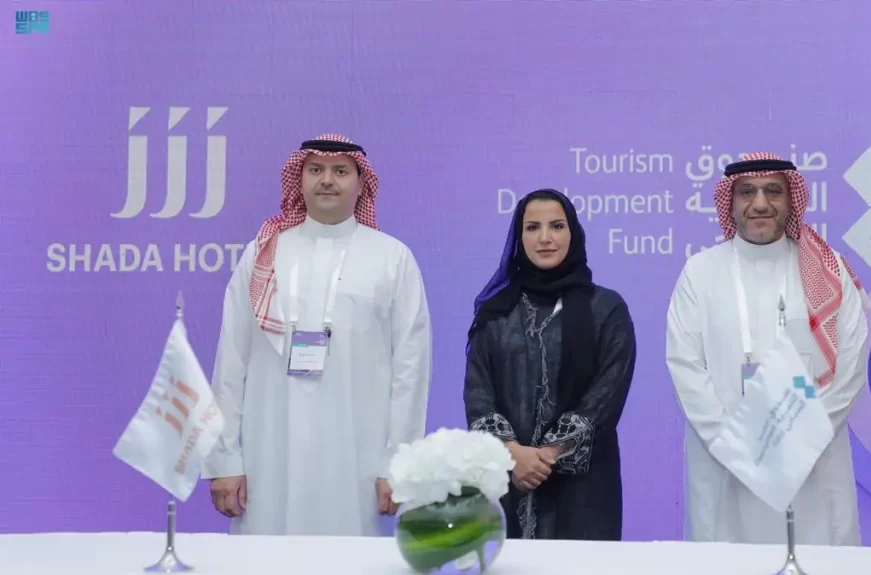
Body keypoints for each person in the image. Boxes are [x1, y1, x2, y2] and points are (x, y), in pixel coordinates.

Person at [202, 133, 432, 536]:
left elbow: (410, 372)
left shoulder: (392, 258)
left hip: (357, 460)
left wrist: (399, 464)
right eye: (316, 170)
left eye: (340, 171)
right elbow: (232, 362)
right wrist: (224, 460)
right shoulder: (263, 253)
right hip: (268, 454)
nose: (327, 180)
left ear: (360, 183)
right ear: (300, 178)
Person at [665, 152, 871, 545]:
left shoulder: (827, 270)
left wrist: (802, 438)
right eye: (747, 192)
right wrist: (733, 443)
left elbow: (851, 364)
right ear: (730, 203)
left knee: (817, 555)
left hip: (811, 459)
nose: (760, 203)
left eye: (773, 191)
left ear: (791, 200)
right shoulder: (701, 272)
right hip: (727, 460)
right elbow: (685, 365)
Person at [463, 188, 637, 541]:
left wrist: (549, 453)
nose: (545, 238)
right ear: (519, 237)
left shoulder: (606, 309)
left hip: (584, 492)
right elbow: (478, 394)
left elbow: (606, 394)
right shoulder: (496, 312)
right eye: (532, 228)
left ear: (573, 233)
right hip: (507, 480)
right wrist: (513, 454)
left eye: (557, 226)